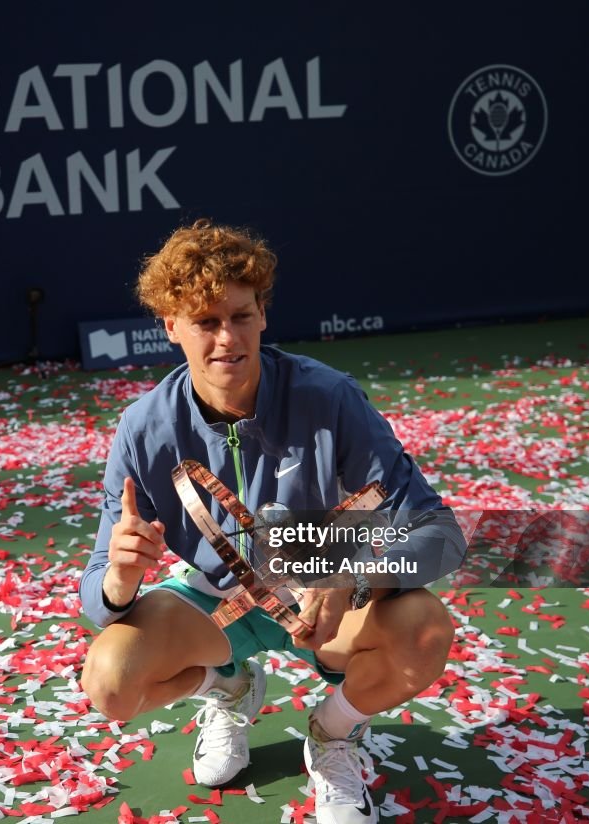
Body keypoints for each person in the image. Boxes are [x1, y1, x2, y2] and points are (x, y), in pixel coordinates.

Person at [79, 220, 466, 824]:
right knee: (110, 681)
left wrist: (354, 578)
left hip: (326, 600)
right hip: (217, 604)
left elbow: (439, 532)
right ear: (171, 327)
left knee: (424, 629)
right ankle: (228, 688)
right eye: (206, 322)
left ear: (263, 314)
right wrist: (120, 580)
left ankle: (333, 734)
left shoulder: (331, 396)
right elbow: (100, 595)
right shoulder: (142, 427)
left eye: (240, 315)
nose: (227, 339)